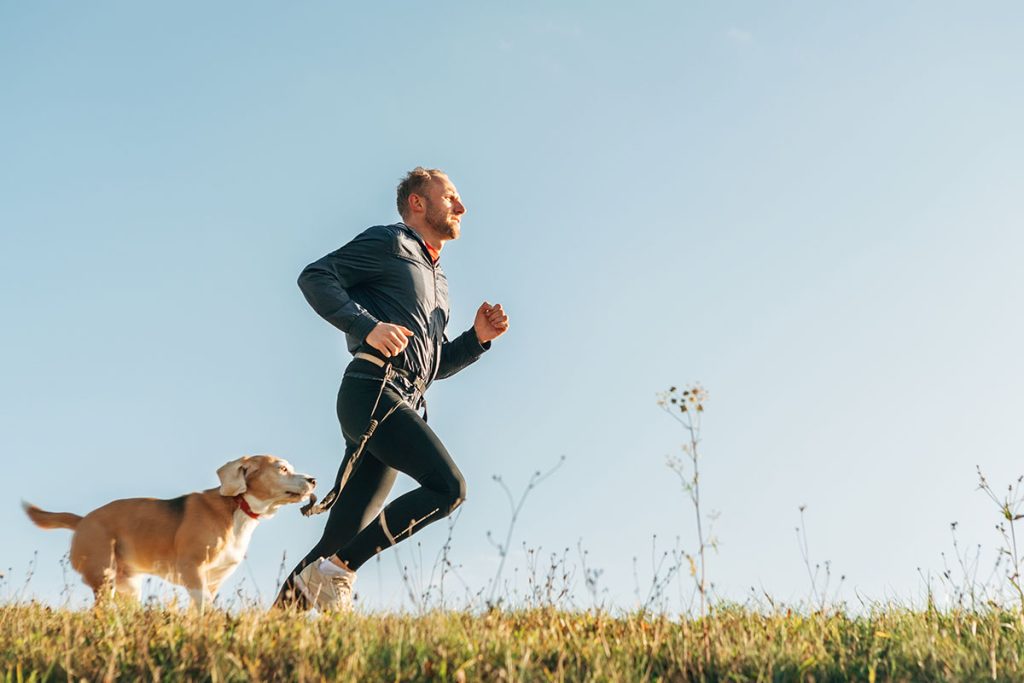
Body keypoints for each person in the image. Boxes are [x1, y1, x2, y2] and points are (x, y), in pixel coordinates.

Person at [274, 167, 509, 611]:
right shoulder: (390, 243)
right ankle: (341, 570)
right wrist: (366, 326)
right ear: (418, 203)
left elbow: (432, 366)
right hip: (373, 388)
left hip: (402, 397)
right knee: (448, 488)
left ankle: (264, 635)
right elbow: (314, 276)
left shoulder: (438, 282)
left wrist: (477, 339)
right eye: (451, 197)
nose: (461, 207)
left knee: (336, 540)